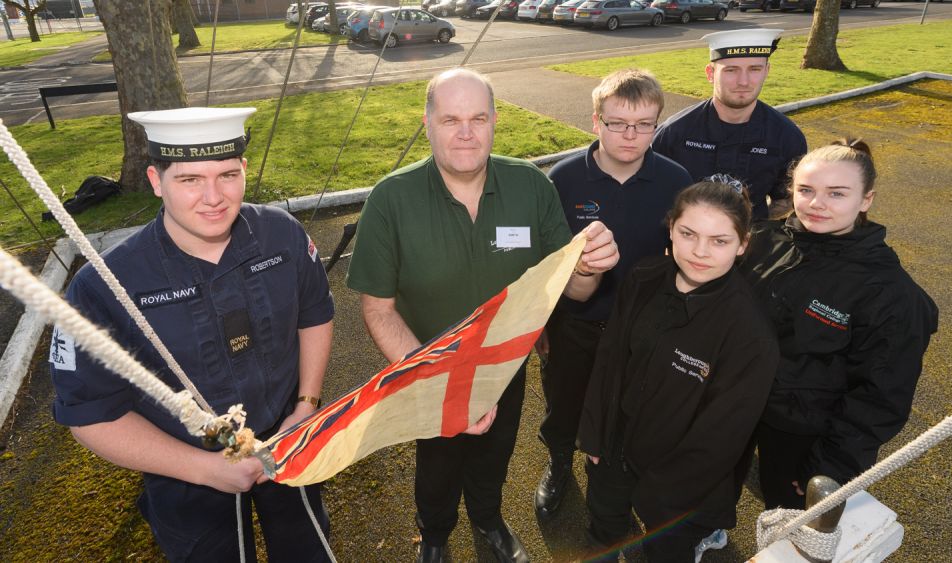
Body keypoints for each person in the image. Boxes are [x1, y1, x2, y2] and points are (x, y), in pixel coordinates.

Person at [345, 68, 619, 563]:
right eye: (450, 119)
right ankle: (434, 533)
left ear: (495, 122)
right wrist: (439, 382)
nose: (465, 132)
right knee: (436, 460)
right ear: (427, 123)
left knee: (495, 452)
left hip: (504, 363)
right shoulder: (391, 198)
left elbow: (575, 291)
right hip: (426, 366)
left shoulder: (531, 186)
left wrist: (590, 267)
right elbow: (377, 309)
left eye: (478, 118)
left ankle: (488, 519)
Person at [48, 107, 335, 562]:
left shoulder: (282, 236)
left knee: (307, 549)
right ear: (156, 181)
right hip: (184, 477)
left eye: (226, 174)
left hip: (287, 440)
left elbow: (315, 315)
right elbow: (89, 412)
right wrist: (203, 469)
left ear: (244, 170)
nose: (213, 197)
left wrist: (306, 405)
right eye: (189, 180)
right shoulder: (105, 286)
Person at [577, 177, 779, 562]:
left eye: (719, 241)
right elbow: (610, 360)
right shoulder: (643, 277)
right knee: (602, 533)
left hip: (679, 482)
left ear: (742, 246)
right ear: (670, 228)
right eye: (688, 233)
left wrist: (659, 494)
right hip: (615, 447)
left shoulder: (750, 334)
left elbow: (721, 436)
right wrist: (594, 432)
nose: (700, 251)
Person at [740, 139, 938, 509]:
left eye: (837, 193)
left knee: (791, 520)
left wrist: (831, 465)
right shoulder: (763, 241)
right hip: (738, 404)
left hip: (804, 433)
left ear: (866, 199)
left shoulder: (891, 294)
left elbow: (882, 395)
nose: (817, 204)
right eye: (806, 190)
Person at [534, 68, 692, 521]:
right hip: (576, 322)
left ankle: (611, 466)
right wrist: (541, 325)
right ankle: (560, 461)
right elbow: (546, 262)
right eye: (618, 122)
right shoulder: (562, 180)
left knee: (629, 407)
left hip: (644, 329)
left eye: (645, 124)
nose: (631, 134)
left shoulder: (676, 179)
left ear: (657, 124)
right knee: (564, 401)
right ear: (595, 121)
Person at [651, 29, 807, 221]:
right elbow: (652, 196)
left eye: (754, 69)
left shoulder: (787, 137)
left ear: (767, 71)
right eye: (731, 70)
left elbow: (788, 199)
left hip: (753, 247)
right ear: (710, 73)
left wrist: (750, 227)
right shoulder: (673, 134)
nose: (743, 81)